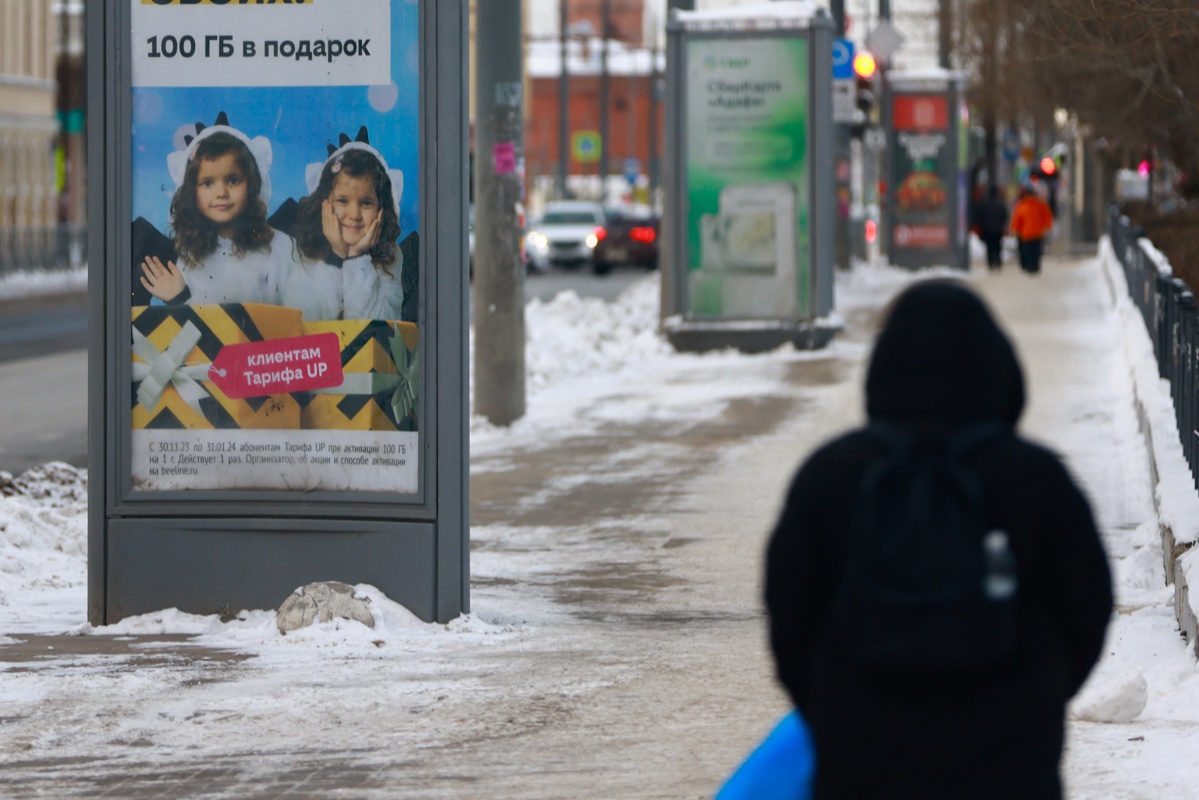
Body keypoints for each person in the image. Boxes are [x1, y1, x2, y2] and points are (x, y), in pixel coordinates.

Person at [764, 281, 1113, 800]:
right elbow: (1087, 611)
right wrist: (1035, 693)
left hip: (860, 762)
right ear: (1000, 370)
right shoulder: (1036, 480)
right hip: (1012, 763)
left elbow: (789, 616)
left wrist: (832, 700)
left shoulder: (833, 476)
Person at [140, 114, 290, 305]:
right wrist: (180, 299)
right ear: (191, 193)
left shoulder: (281, 247)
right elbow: (190, 332)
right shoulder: (186, 257)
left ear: (252, 185)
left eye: (233, 180)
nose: (221, 193)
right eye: (207, 183)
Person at [283, 129, 405, 321]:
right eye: (342, 201)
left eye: (366, 203)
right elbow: (304, 322)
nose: (354, 215)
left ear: (382, 209)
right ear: (324, 205)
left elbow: (377, 328)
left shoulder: (391, 256)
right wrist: (335, 258)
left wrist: (358, 258)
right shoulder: (305, 250)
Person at [1010, 184, 1054, 274]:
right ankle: (1035, 266)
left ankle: (1029, 267)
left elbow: (1017, 219)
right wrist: (1047, 227)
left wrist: (1015, 229)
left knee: (1028, 252)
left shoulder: (1021, 206)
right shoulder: (1041, 205)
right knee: (1036, 251)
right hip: (1038, 233)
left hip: (1026, 234)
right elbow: (1047, 217)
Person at [977, 185, 1009, 270]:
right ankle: (998, 261)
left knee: (989, 247)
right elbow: (1004, 215)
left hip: (987, 229)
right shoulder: (1000, 203)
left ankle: (991, 263)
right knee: (997, 246)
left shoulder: (984, 203)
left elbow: (980, 216)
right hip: (998, 229)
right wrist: (1002, 224)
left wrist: (982, 226)